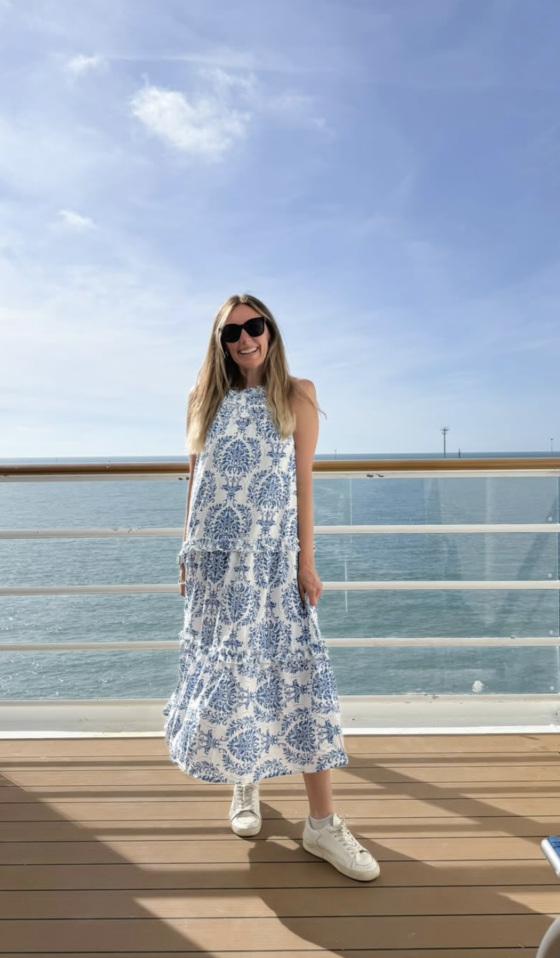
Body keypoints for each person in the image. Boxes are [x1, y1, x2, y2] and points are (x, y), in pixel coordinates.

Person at [163, 293, 380, 882]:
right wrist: (186, 553)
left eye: (254, 327)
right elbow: (196, 481)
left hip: (274, 562)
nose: (244, 339)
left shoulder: (297, 393)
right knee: (232, 675)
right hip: (215, 564)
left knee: (299, 676)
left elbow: (303, 486)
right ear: (220, 342)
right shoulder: (201, 399)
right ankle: (245, 781)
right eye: (231, 332)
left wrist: (308, 562)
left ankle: (322, 824)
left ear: (271, 330)